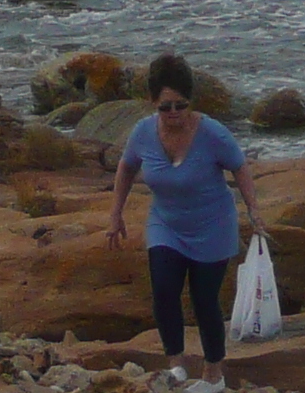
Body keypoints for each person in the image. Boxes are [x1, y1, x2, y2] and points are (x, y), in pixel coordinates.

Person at [106, 53, 255, 382]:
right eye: (165, 106)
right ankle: (175, 366)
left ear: (190, 101)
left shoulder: (213, 133)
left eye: (180, 105)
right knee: (164, 290)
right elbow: (127, 167)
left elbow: (239, 167)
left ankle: (213, 371)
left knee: (204, 301)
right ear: (153, 103)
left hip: (212, 226)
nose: (173, 113)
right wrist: (115, 213)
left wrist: (254, 212)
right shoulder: (143, 132)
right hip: (167, 224)